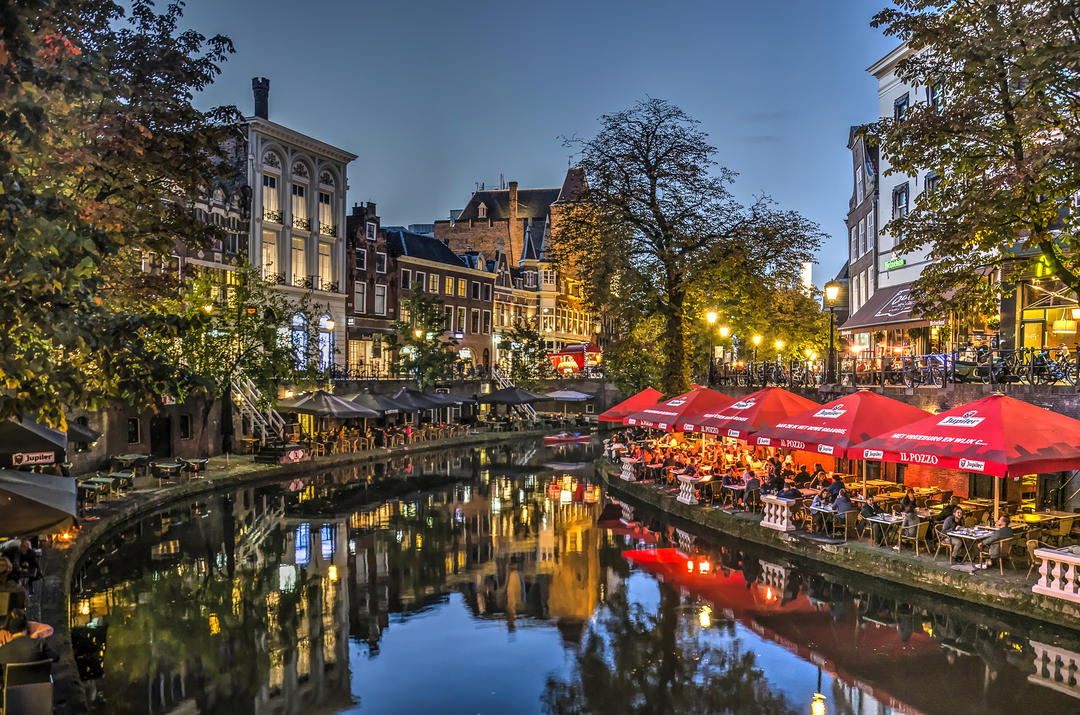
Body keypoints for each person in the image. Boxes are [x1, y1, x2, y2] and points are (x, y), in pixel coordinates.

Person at [0, 611, 59, 683]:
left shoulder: (2, 651)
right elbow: (55, 657)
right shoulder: (39, 644)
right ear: (25, 629)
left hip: (13, 689)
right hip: (40, 686)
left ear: (10, 632)